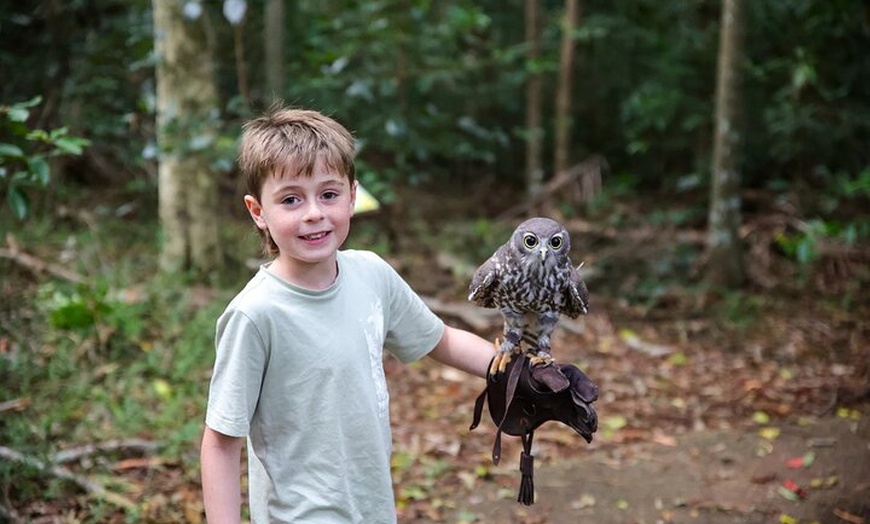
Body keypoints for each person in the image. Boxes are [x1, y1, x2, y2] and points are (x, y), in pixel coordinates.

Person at [200, 107, 496, 523]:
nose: (313, 213)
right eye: (290, 199)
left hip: (371, 507)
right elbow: (221, 441)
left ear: (352, 196)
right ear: (258, 211)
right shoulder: (255, 315)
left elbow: (440, 339)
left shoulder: (370, 273)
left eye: (329, 194)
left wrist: (516, 369)